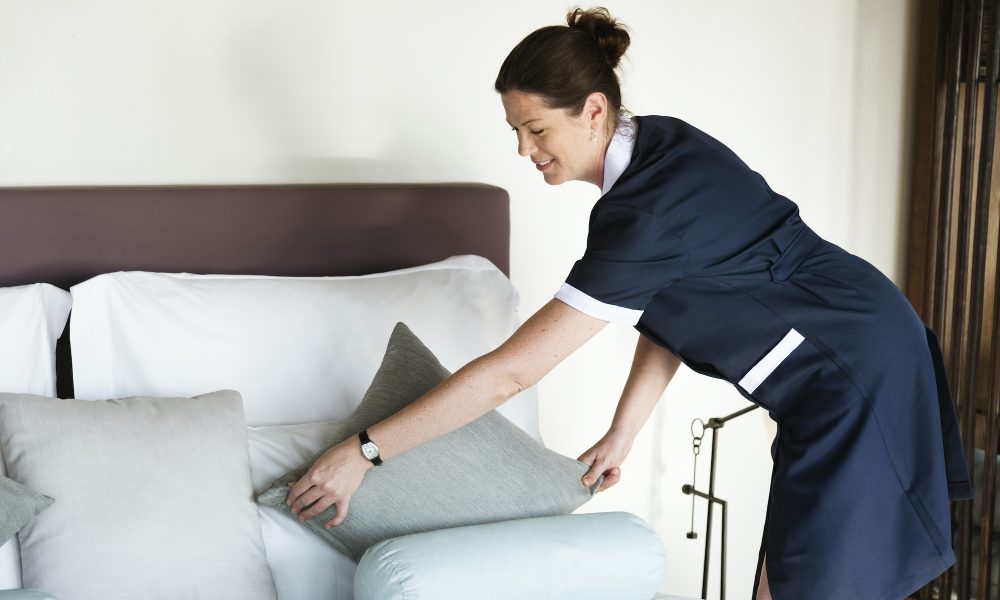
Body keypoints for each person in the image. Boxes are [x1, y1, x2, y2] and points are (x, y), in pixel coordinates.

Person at [286, 7, 973, 599]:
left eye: (536, 130)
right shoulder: (660, 149)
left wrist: (366, 451)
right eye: (514, 130)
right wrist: (625, 429)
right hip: (854, 348)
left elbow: (511, 372)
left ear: (592, 110)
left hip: (854, 374)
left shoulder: (643, 216)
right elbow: (673, 302)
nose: (524, 150)